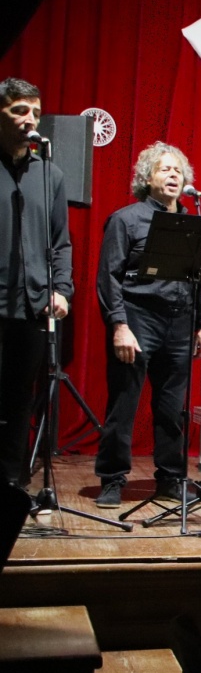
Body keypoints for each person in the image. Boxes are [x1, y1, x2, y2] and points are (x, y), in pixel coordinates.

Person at [93, 141, 201, 508]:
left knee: (172, 408)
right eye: (164, 169)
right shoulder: (126, 219)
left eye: (178, 170)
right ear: (147, 178)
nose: (173, 175)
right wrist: (119, 325)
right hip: (137, 316)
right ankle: (112, 479)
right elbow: (108, 277)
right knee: (124, 402)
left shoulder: (194, 223)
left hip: (180, 320)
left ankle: (171, 478)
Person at [0, 77, 72, 490]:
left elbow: (60, 242)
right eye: (20, 111)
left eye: (36, 113)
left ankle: (13, 484)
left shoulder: (50, 174)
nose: (30, 120)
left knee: (19, 400)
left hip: (31, 305)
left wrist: (61, 289)